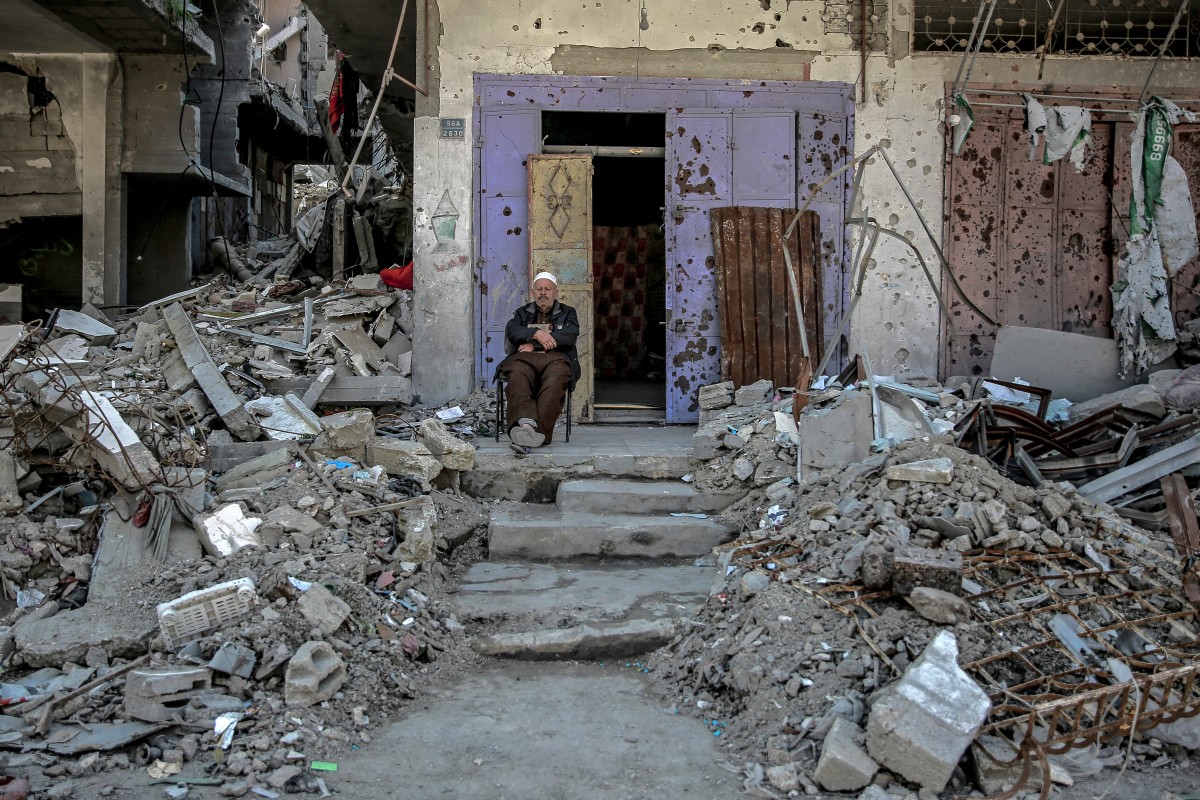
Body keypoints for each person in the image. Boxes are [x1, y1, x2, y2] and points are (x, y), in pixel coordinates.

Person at [495, 271, 580, 454]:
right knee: (517, 374)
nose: (543, 293)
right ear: (532, 293)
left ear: (555, 293)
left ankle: (530, 433)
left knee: (557, 377)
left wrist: (534, 344)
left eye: (547, 289)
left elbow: (569, 336)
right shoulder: (522, 313)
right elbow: (513, 330)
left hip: (556, 359)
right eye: (539, 289)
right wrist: (536, 333)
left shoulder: (568, 313)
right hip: (524, 361)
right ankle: (526, 427)